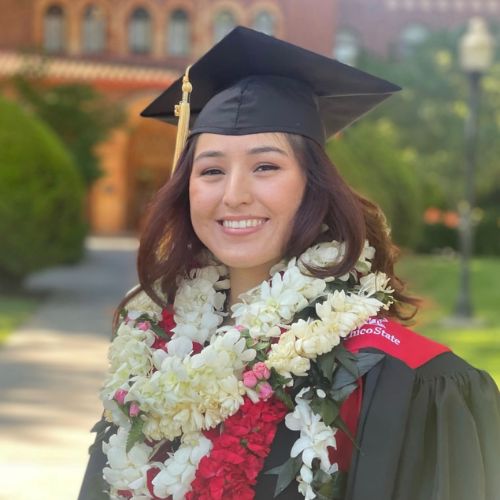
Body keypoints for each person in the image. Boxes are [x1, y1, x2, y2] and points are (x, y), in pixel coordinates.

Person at [79, 27, 500, 500]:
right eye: (212, 170)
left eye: (266, 166)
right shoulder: (151, 355)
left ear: (313, 186)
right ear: (186, 190)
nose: (234, 195)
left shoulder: (403, 378)